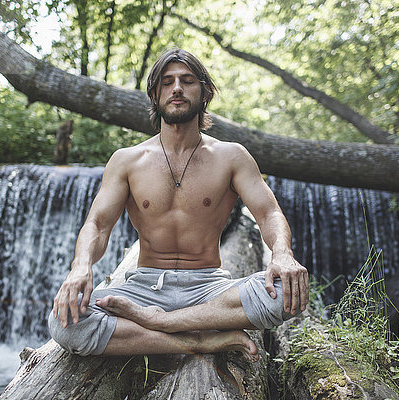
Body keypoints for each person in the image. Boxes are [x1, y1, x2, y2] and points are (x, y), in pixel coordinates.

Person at [48, 48, 309, 362]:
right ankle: (197, 341)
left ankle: (163, 323)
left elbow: (269, 214)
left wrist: (283, 254)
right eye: (167, 82)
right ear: (155, 94)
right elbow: (98, 225)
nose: (177, 88)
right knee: (64, 322)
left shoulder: (232, 156)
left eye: (187, 81)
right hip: (143, 288)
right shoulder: (127, 160)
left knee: (285, 294)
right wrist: (81, 268)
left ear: (204, 92)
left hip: (209, 288)